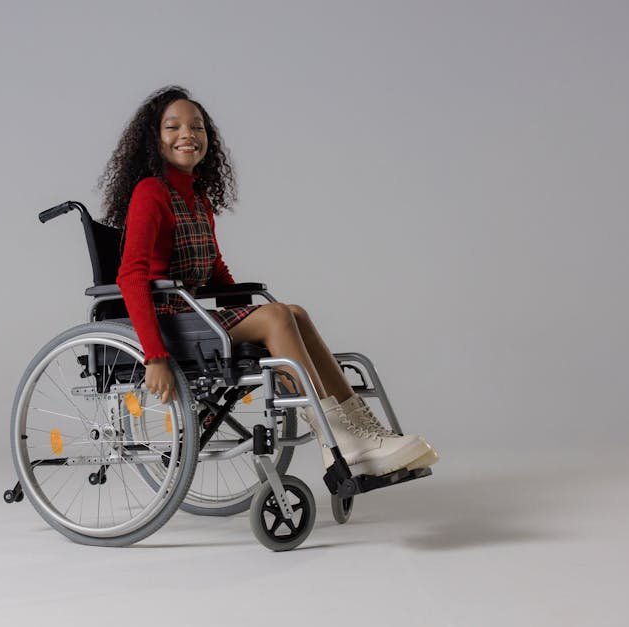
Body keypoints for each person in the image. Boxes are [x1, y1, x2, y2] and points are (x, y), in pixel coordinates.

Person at [99, 85, 438, 476]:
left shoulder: (197, 199)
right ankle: (340, 442)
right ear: (153, 139)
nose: (187, 135)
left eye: (198, 127)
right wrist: (154, 356)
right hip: (165, 323)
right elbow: (130, 276)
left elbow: (214, 270)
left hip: (190, 317)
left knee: (294, 313)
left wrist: (245, 311)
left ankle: (364, 432)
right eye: (173, 127)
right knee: (277, 316)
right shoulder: (150, 192)